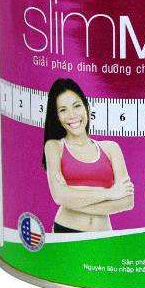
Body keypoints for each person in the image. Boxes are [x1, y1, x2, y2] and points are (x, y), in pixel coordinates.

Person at [42, 78, 134, 233]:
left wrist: (73, 200)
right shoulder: (54, 146)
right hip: (67, 230)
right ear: (56, 116)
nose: (72, 115)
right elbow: (59, 196)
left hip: (104, 234)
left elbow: (127, 201)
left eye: (77, 106)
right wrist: (110, 193)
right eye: (63, 110)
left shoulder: (111, 148)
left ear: (86, 107)